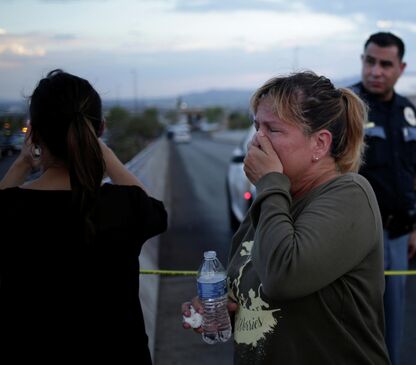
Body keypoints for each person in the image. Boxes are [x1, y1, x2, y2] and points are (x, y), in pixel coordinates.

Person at [182, 71, 390, 364]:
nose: (257, 140)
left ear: (319, 144)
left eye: (273, 130)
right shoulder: (274, 201)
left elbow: (283, 277)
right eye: (257, 127)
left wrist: (269, 182)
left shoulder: (349, 195)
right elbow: (252, 292)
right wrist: (220, 310)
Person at [0, 69, 168, 364]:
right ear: (100, 130)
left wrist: (22, 165)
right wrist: (106, 155)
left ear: (35, 134)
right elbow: (154, 210)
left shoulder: (12, 208)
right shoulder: (122, 206)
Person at [350, 31, 416, 364]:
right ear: (362, 61)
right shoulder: (344, 107)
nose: (376, 71)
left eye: (386, 64)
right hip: (354, 239)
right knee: (352, 323)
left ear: (401, 68)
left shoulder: (410, 113)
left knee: (391, 324)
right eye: (370, 61)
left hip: (398, 235)